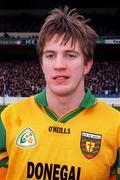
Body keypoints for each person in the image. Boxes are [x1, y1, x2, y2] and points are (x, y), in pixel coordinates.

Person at [0, 6, 120, 180]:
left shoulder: (116, 126)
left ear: (87, 64)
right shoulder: (9, 118)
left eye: (70, 55)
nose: (59, 65)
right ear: (42, 64)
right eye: (50, 55)